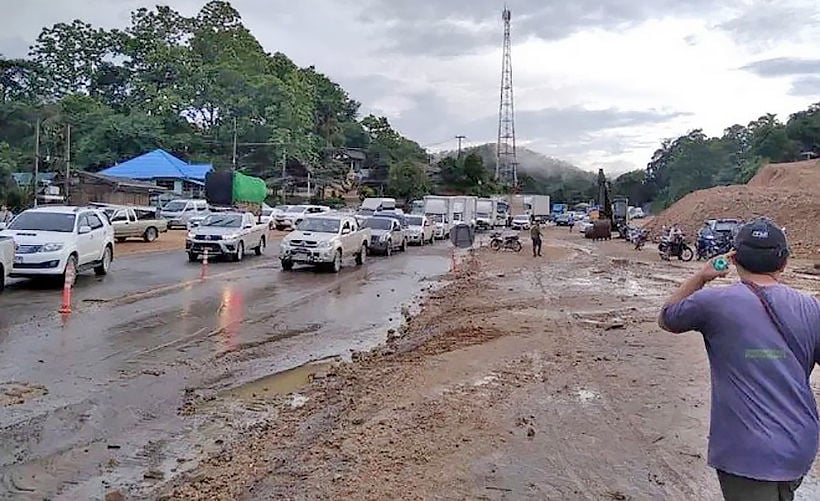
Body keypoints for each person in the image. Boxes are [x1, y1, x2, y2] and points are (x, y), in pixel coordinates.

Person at [658, 218, 820, 501]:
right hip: (800, 445)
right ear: (783, 263)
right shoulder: (811, 307)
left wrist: (702, 276)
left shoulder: (714, 303)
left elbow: (667, 316)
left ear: (733, 258)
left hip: (747, 454)